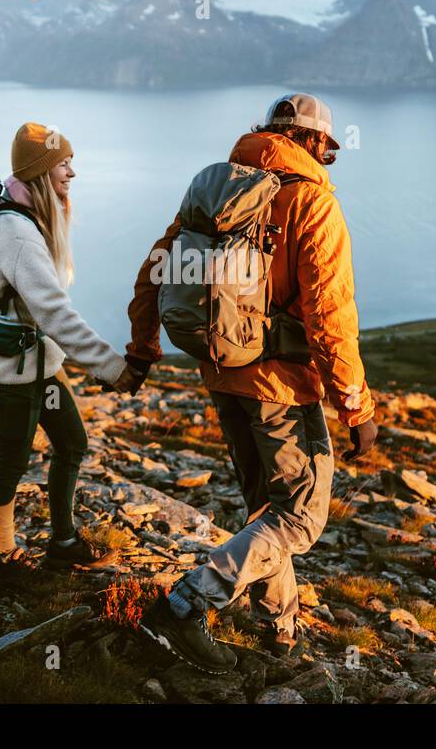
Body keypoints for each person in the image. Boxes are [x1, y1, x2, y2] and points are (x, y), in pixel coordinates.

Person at [125, 93, 378, 672]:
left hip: (222, 370)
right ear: (313, 142)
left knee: (266, 506)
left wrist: (143, 349)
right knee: (299, 517)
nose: (328, 159)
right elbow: (329, 315)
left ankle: (281, 632)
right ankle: (184, 606)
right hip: (282, 387)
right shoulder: (311, 204)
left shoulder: (216, 190)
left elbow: (155, 268)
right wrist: (355, 407)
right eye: (328, 149)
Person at [0, 121, 138, 570]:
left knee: (71, 444)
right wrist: (111, 367)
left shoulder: (32, 219)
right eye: (63, 164)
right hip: (11, 371)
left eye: (71, 162)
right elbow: (54, 313)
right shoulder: (18, 234)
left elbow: (48, 312)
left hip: (42, 364)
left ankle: (63, 545)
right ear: (39, 171)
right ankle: (6, 557)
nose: (72, 173)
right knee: (10, 462)